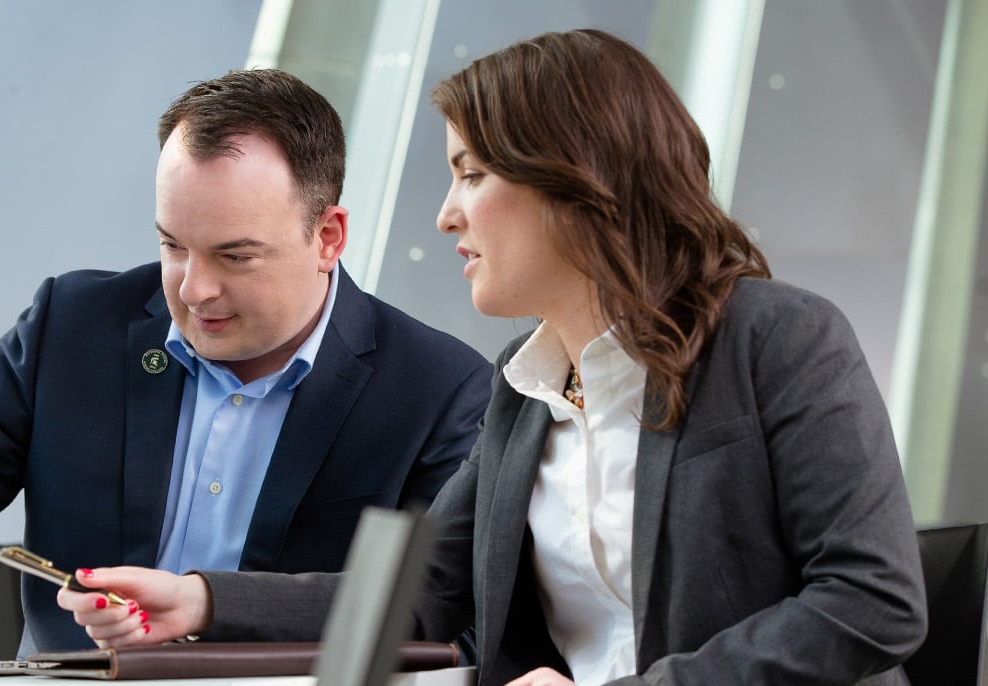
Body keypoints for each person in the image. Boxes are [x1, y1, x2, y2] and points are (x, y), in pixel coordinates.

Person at [56, 30, 928, 685]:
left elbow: (873, 600)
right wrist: (201, 600)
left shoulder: (778, 339)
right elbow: (425, 593)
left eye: (471, 173)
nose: (446, 214)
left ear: (575, 182)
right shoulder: (523, 388)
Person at [0, 68, 493, 652]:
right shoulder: (69, 327)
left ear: (327, 238)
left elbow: (451, 625)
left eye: (234, 257)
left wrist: (216, 606)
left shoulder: (440, 392)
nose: (193, 290)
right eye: (173, 246)